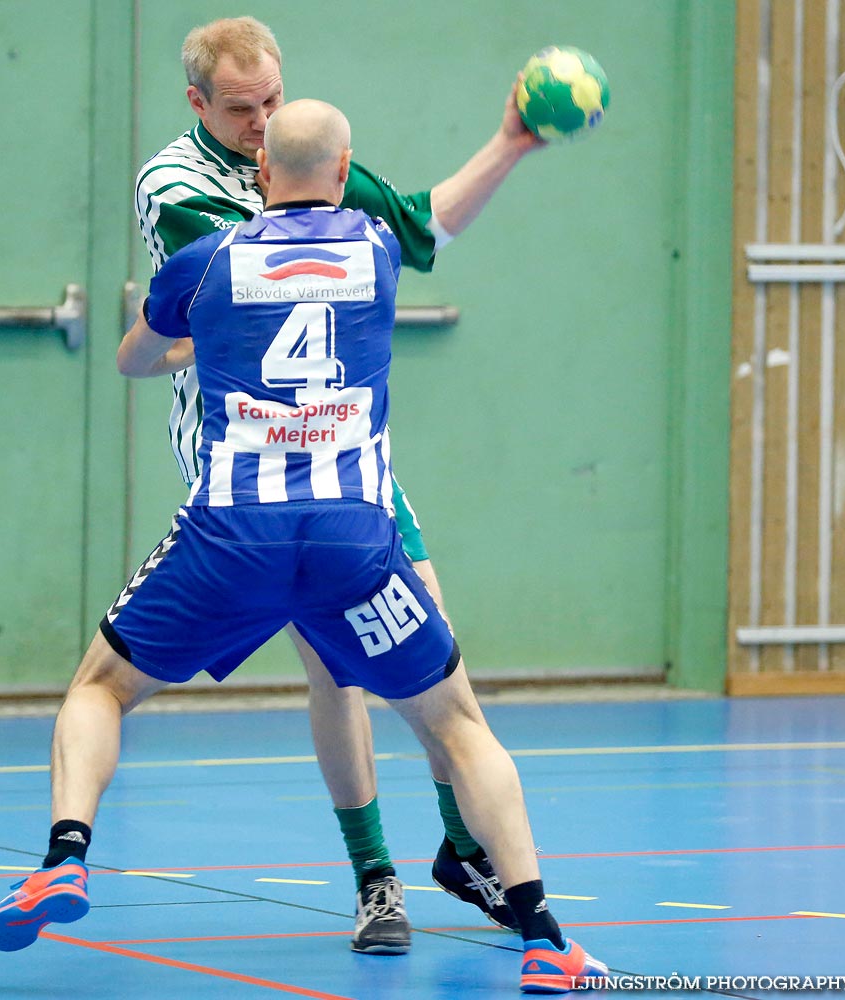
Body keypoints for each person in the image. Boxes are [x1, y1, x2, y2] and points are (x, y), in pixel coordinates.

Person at [0, 99, 606, 994]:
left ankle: (64, 856)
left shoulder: (204, 262)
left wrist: (188, 345)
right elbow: (437, 219)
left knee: (101, 688)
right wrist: (510, 139)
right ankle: (544, 937)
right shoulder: (380, 251)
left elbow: (133, 358)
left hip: (232, 536)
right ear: (346, 172)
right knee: (457, 724)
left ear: (261, 172)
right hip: (352, 539)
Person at [131, 15, 542, 952]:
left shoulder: (309, 150)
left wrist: (509, 142)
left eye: (273, 101)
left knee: (435, 653)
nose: (262, 120)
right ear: (199, 103)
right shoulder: (177, 187)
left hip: (347, 452)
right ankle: (374, 880)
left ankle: (458, 847)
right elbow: (246, 299)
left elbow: (422, 225)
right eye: (241, 108)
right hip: (247, 456)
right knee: (334, 668)